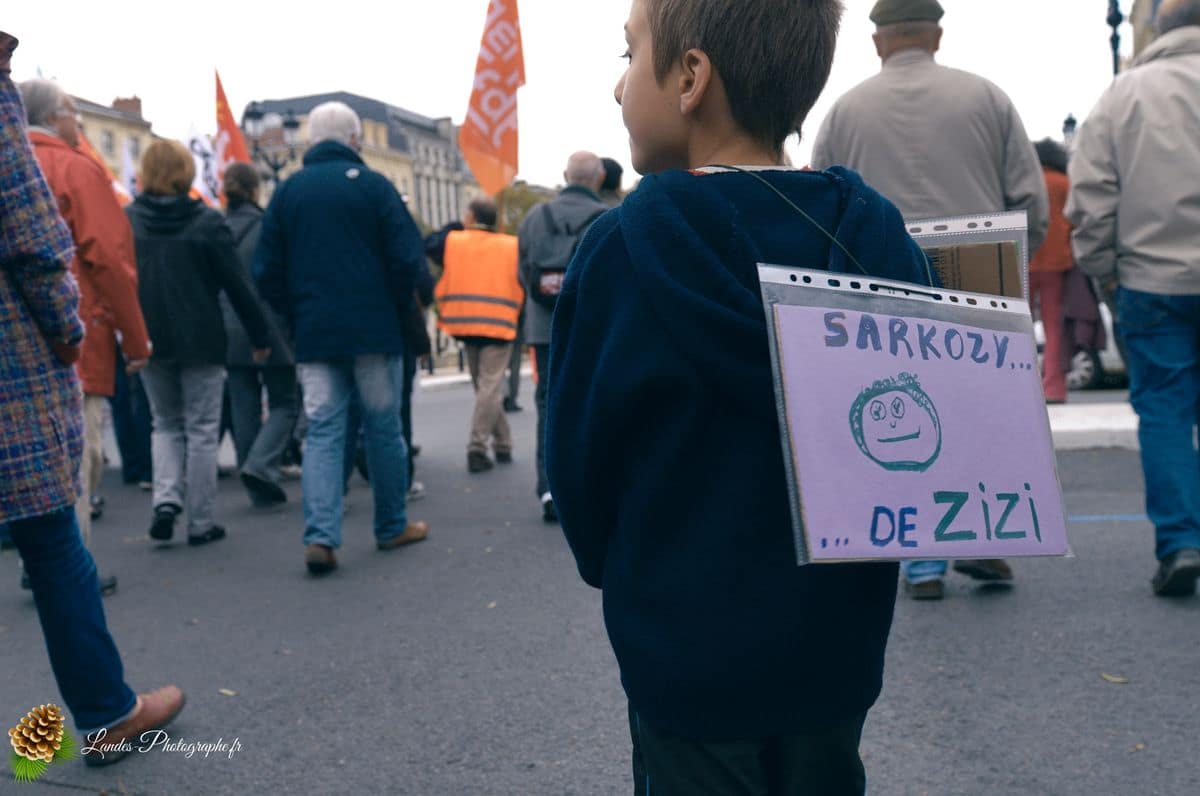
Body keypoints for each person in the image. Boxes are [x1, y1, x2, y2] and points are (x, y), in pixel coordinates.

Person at [546, 1, 935, 792]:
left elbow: (580, 462)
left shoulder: (623, 250)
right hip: (835, 647)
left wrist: (617, 571)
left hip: (682, 650)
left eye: (628, 57)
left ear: (691, 78)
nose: (619, 89)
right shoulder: (879, 232)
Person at [810, 0, 1049, 600]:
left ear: (876, 42)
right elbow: (1029, 198)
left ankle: (919, 562)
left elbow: (820, 203)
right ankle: (983, 537)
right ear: (937, 35)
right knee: (976, 408)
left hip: (881, 271)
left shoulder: (845, 109)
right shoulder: (986, 97)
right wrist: (1011, 266)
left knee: (897, 412)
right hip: (978, 269)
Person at [0, 32, 184, 767]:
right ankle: (108, 712)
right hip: (14, 362)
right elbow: (44, 239)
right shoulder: (72, 164)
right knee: (52, 536)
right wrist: (73, 334)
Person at [255, 101, 429, 576]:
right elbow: (406, 260)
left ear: (311, 140)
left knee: (324, 432)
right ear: (355, 140)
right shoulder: (375, 187)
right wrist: (391, 306)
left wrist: (296, 313)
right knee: (383, 429)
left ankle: (322, 536)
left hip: (315, 331)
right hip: (375, 328)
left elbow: (265, 270)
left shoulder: (288, 192)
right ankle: (391, 524)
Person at [1066, 0, 1200, 598]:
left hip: (1152, 279)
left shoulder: (1124, 96)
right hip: (1154, 277)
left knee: (1165, 411)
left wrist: (1105, 274)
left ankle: (1181, 543)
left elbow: (1091, 197)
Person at [22, 78, 153, 594]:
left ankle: (39, 563)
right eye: (75, 114)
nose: (79, 125)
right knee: (80, 457)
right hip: (75, 337)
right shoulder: (78, 169)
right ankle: (64, 572)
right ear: (57, 117)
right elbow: (110, 261)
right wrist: (136, 340)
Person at [126, 140, 272, 546]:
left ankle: (166, 500)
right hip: (202, 337)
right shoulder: (206, 222)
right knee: (202, 428)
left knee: (165, 423)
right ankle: (201, 521)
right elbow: (237, 286)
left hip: (151, 335)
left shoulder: (130, 220)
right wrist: (259, 336)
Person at [517, 151, 608, 522]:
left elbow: (522, 268)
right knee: (592, 399)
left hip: (543, 327)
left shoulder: (535, 217)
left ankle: (550, 488)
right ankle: (588, 484)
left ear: (565, 175)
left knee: (547, 403)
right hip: (590, 326)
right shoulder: (605, 219)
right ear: (598, 178)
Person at [220, 162, 298, 507]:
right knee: (285, 401)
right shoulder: (268, 226)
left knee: (243, 406)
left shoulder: (214, 228)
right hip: (270, 325)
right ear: (255, 191)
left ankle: (252, 475)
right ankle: (260, 464)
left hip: (228, 329)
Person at [431, 198, 523, 474]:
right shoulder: (511, 245)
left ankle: (478, 447)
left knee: (485, 389)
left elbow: (430, 243)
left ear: (470, 216)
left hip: (465, 323)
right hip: (499, 324)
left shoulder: (454, 240)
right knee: (489, 389)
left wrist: (458, 225)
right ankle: (503, 442)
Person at [1030, 139, 1073, 405]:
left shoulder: (1030, 182)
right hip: (1057, 262)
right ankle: (1054, 386)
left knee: (1018, 324)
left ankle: (1022, 384)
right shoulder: (1063, 183)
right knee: (1053, 326)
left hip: (1025, 257)